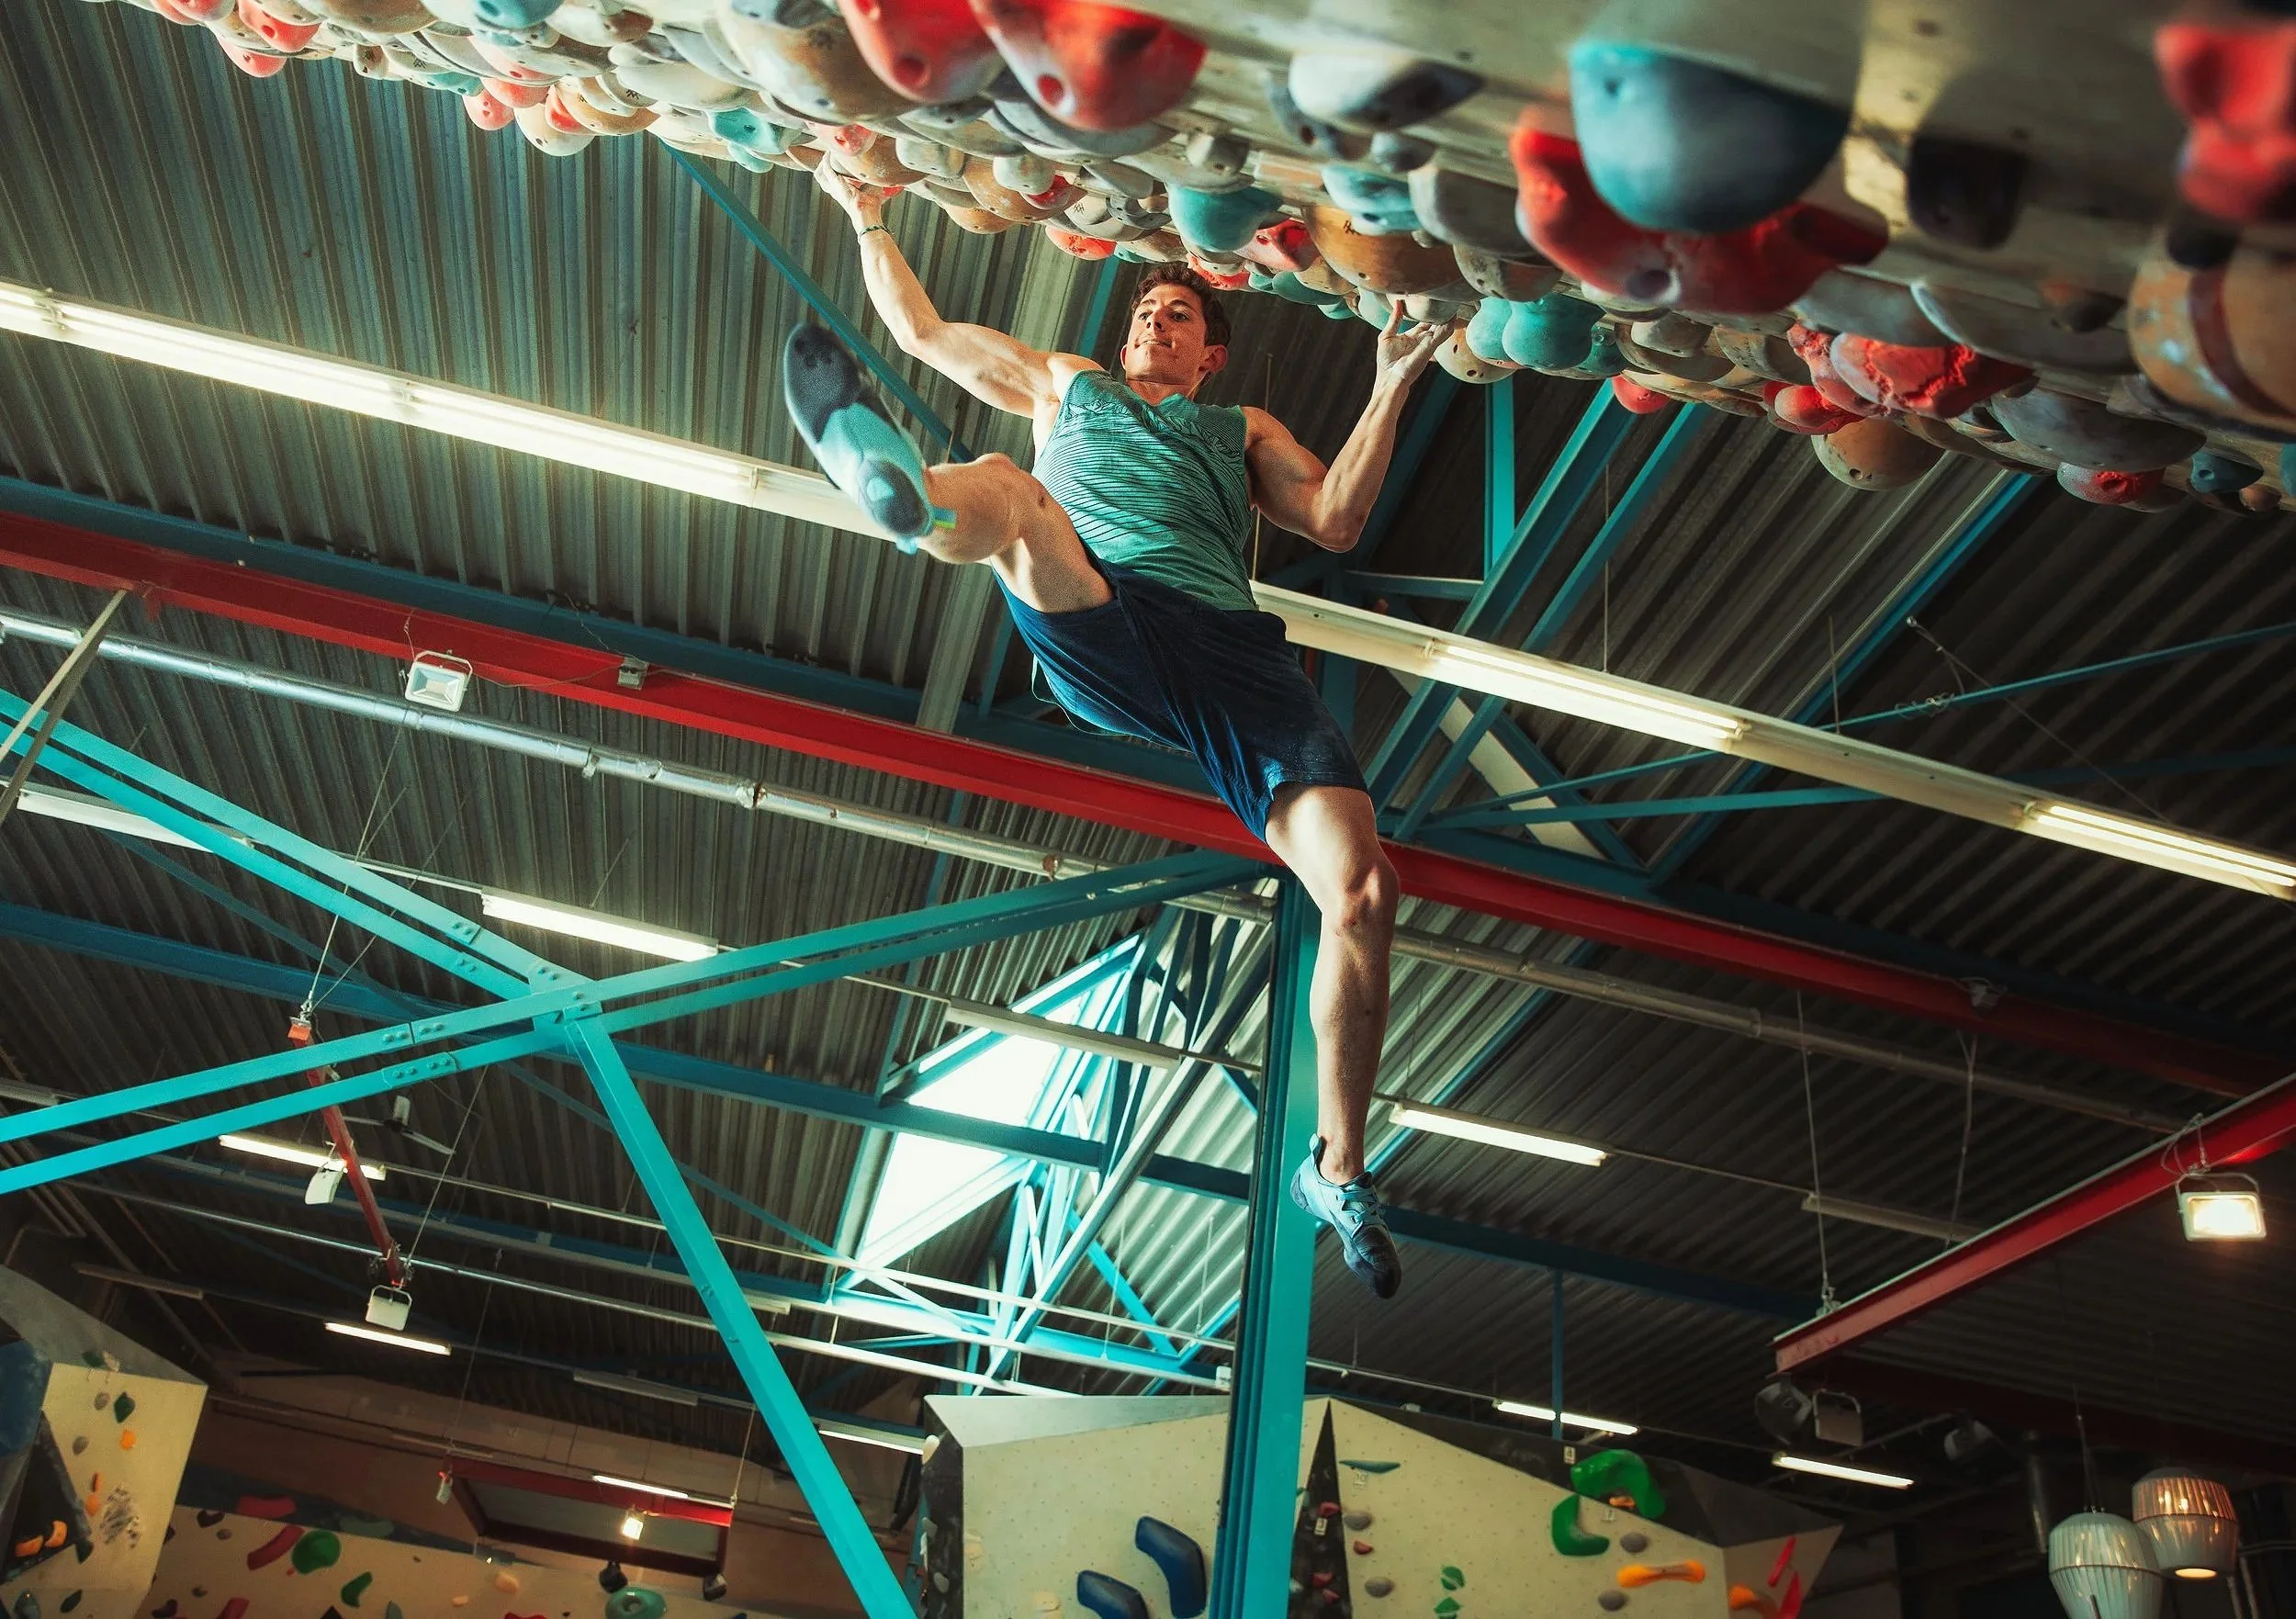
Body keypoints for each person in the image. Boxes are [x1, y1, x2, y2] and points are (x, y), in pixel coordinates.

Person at [785, 164, 1448, 1299]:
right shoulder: (1066, 382)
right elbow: (923, 330)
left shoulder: (1239, 427)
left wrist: (1389, 382)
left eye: (1179, 315)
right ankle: (909, 497)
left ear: (1209, 354)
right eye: (1146, 309)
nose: (1156, 322)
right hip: (1103, 615)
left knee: (1362, 894)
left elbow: (1335, 517)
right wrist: (867, 214)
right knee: (1011, 491)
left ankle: (1337, 1169)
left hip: (1233, 657)